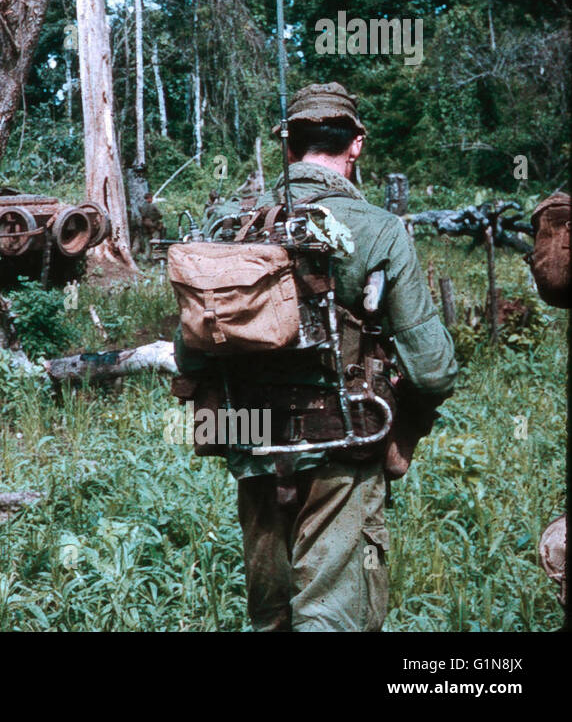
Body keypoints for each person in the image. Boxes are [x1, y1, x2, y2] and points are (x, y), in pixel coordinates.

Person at [174, 82, 457, 631]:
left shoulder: (230, 226)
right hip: (343, 446)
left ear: (289, 147)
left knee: (272, 618)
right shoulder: (380, 229)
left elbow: (192, 356)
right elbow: (434, 368)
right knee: (333, 617)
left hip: (252, 440)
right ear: (356, 146)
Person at [136, 192, 165, 259]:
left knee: (147, 244)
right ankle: (156, 257)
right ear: (150, 198)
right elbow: (160, 215)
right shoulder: (153, 206)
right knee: (156, 242)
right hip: (154, 227)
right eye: (151, 198)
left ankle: (146, 258)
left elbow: (142, 216)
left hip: (145, 228)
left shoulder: (142, 206)